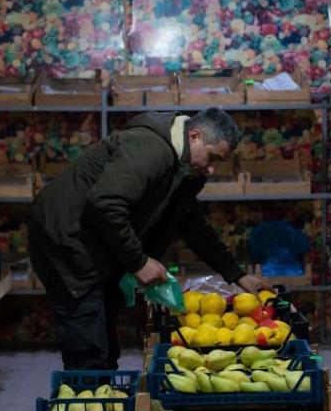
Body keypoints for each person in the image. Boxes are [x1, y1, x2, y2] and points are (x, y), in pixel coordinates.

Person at [29, 107, 271, 370]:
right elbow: (106, 203)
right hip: (67, 241)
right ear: (194, 136)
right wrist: (139, 262)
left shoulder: (185, 169)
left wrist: (236, 274)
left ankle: (105, 393)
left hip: (97, 242)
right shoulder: (150, 148)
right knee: (88, 341)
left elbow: (192, 225)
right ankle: (87, 402)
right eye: (212, 158)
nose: (212, 169)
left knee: (104, 333)